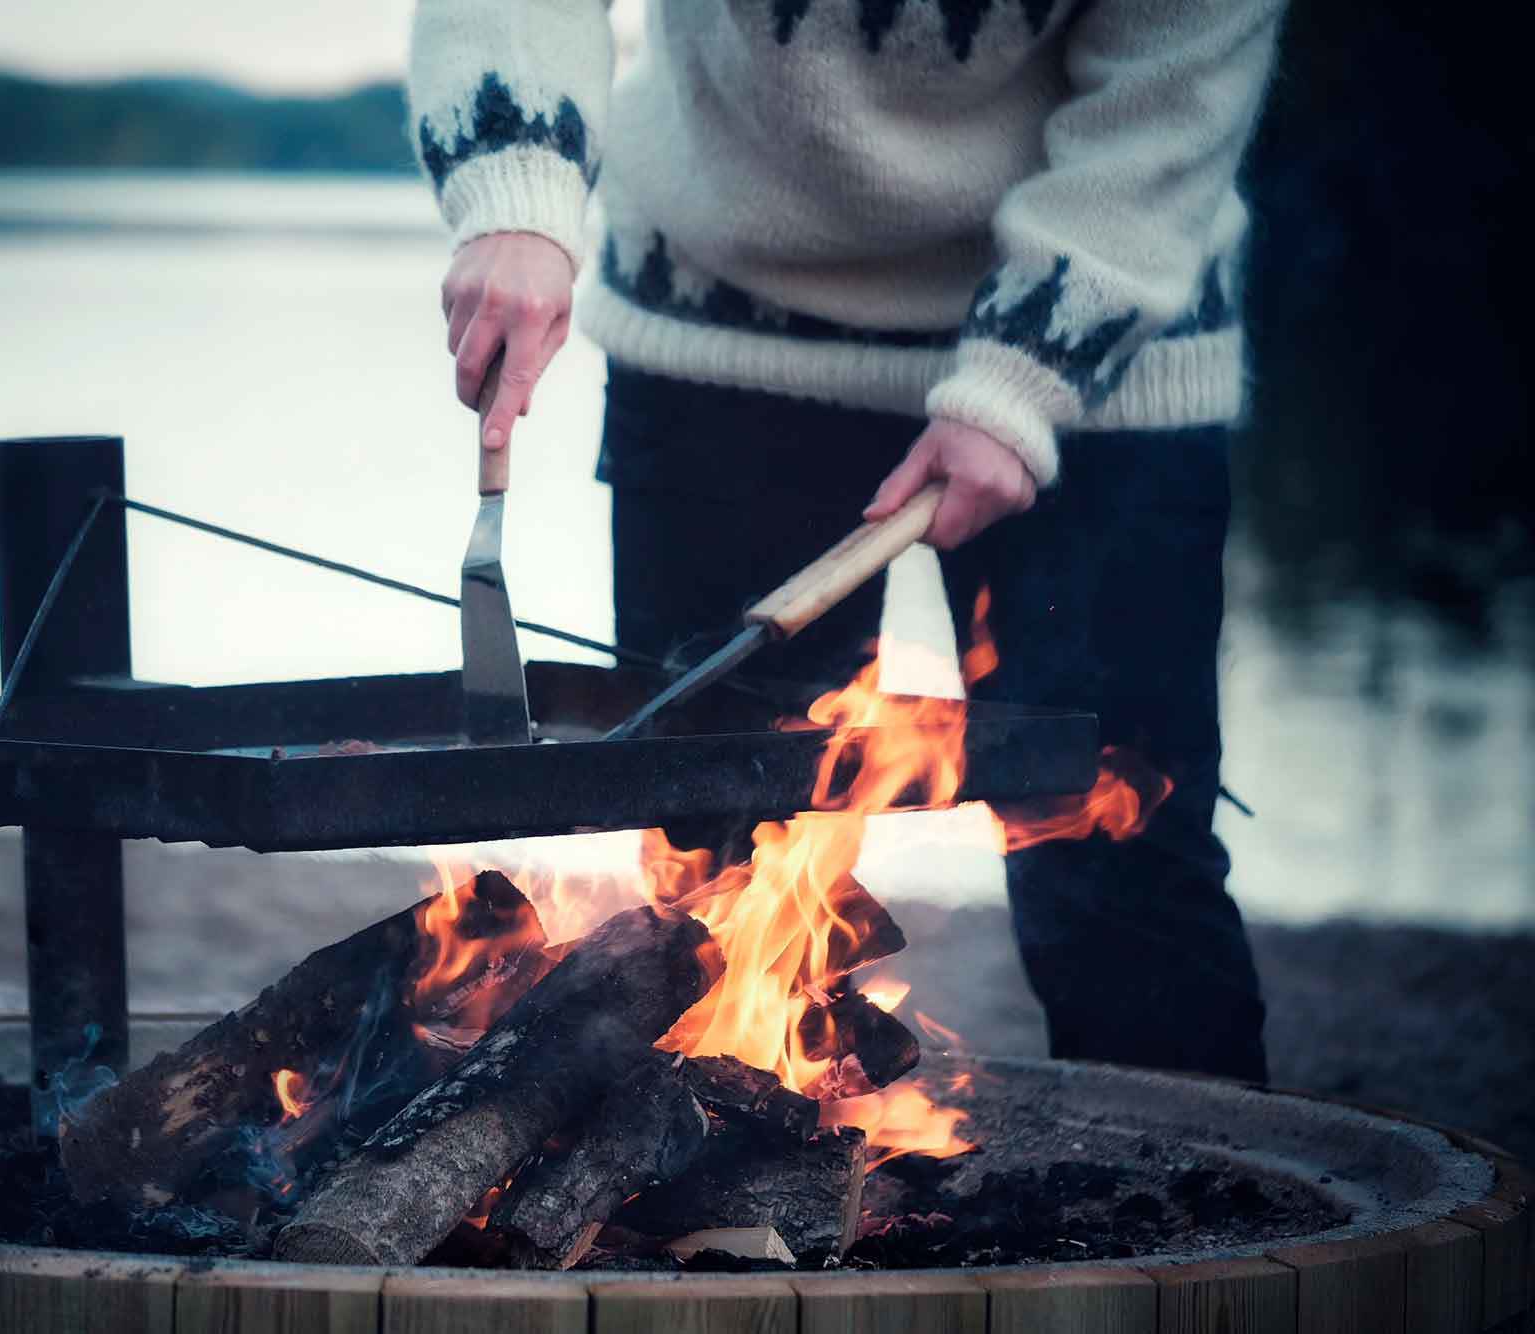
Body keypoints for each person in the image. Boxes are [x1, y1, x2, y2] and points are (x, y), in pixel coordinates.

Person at [406, 0, 1285, 1083]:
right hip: (719, 333)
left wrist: (1022, 376)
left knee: (1120, 850)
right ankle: (723, 1214)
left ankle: (1206, 1240)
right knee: (714, 869)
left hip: (1110, 355)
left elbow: (1175, 74)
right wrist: (515, 196)